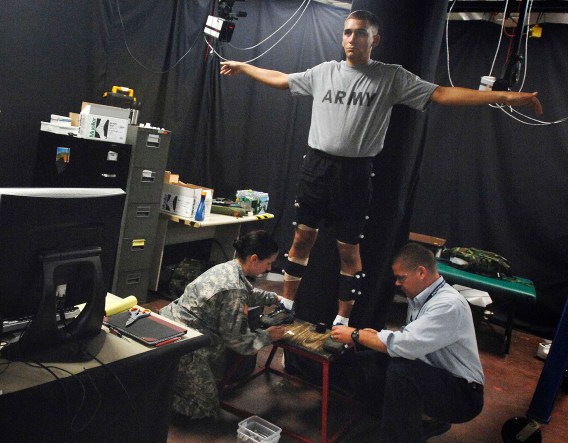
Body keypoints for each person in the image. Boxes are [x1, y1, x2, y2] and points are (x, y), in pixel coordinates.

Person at [220, 10, 543, 329]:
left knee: (349, 250)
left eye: (359, 33)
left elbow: (442, 94)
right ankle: (287, 304)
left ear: (375, 39)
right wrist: (245, 67)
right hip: (317, 168)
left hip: (356, 173)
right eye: (347, 32)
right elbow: (283, 80)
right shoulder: (325, 71)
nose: (351, 39)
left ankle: (342, 319)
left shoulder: (390, 76)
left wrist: (506, 96)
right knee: (302, 238)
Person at [329, 243, 484, 442]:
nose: (397, 283)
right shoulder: (421, 297)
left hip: (463, 396)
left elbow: (406, 345)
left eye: (401, 278)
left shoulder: (447, 305)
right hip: (438, 375)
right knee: (369, 360)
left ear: (421, 272)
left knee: (402, 372)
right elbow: (411, 335)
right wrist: (375, 336)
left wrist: (356, 335)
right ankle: (396, 420)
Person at [158, 230, 290, 420]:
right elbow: (238, 342)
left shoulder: (229, 268)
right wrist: (268, 336)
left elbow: (246, 292)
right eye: (268, 263)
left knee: (216, 367)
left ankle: (168, 381)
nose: (269, 269)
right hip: (183, 342)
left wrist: (274, 298)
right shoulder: (234, 288)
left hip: (170, 325)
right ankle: (158, 396)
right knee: (206, 407)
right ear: (254, 259)